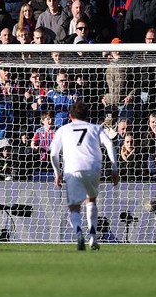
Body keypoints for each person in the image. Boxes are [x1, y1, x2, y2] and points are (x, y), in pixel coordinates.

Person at [50, 102, 120, 251]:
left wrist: (57, 173)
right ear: (87, 116)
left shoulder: (63, 129)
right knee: (91, 200)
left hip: (72, 168)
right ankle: (93, 237)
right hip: (93, 167)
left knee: (74, 207)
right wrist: (114, 169)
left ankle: (78, 233)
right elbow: (110, 145)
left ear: (70, 116)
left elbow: (53, 154)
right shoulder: (95, 128)